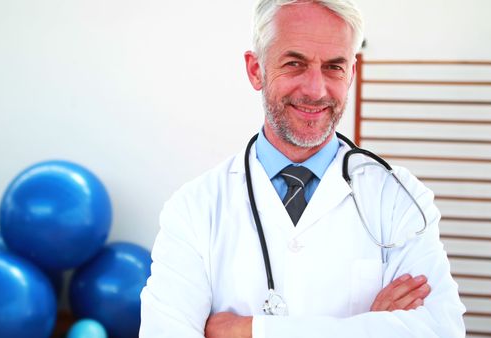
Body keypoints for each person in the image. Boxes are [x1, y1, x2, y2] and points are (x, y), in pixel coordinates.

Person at [140, 0, 466, 337]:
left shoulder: (399, 197)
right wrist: (368, 326)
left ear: (351, 73)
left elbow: (440, 330)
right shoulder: (195, 208)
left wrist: (250, 330)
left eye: (334, 67)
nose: (315, 89)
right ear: (256, 70)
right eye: (295, 63)